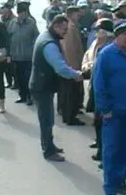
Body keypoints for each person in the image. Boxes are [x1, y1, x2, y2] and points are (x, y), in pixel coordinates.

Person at [93, 19, 126, 195]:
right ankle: (110, 188)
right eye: (124, 34)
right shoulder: (106, 55)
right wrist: (104, 109)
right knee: (112, 151)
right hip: (114, 113)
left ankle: (120, 181)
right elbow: (98, 84)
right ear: (116, 36)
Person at [29, 15, 83, 162]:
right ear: (56, 26)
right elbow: (60, 67)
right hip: (42, 86)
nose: (66, 33)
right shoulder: (49, 44)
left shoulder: (46, 37)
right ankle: (48, 151)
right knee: (46, 119)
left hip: (42, 84)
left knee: (48, 118)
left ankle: (50, 145)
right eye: (64, 29)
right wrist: (75, 74)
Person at [82, 18, 114, 166]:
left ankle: (104, 154)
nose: (96, 34)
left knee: (104, 124)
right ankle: (101, 148)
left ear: (106, 33)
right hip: (96, 88)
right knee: (98, 122)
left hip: (104, 92)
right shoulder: (98, 45)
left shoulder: (108, 48)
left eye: (99, 31)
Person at [8, 1, 39, 106]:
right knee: (19, 78)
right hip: (16, 56)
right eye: (19, 13)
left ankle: (30, 96)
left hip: (28, 56)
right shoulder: (13, 23)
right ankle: (22, 96)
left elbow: (36, 37)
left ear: (26, 13)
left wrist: (33, 48)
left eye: (23, 12)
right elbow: (9, 37)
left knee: (28, 77)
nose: (21, 15)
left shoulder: (31, 23)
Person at [59, 6, 85, 126]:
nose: (79, 16)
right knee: (71, 92)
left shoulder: (70, 25)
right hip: (72, 65)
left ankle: (69, 113)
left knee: (69, 91)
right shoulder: (70, 27)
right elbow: (69, 49)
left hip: (70, 65)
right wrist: (74, 68)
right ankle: (70, 116)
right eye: (77, 14)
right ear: (71, 14)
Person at [1, 2, 17, 89]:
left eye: (4, 8)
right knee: (5, 65)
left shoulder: (13, 19)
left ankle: (16, 82)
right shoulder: (2, 19)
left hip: (11, 43)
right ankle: (9, 81)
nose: (3, 10)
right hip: (3, 44)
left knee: (12, 65)